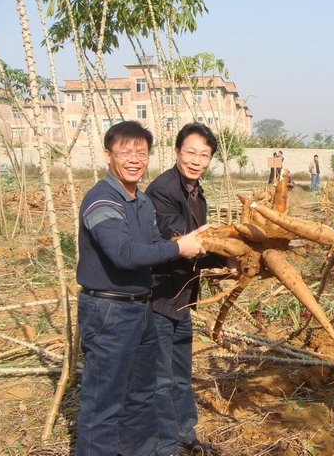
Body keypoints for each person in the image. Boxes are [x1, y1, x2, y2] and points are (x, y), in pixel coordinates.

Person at [75, 121, 205, 456]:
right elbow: (124, 254)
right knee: (103, 403)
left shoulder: (142, 201)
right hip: (108, 311)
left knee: (142, 396)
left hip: (141, 306)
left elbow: (155, 247)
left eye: (141, 153)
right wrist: (180, 248)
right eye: (125, 152)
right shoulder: (101, 200)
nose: (134, 159)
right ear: (108, 155)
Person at [145, 122, 224, 456]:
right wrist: (224, 251)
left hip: (182, 296)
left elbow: (197, 249)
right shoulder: (163, 190)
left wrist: (225, 263)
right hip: (160, 297)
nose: (196, 160)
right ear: (176, 151)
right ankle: (166, 444)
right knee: (162, 377)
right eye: (190, 152)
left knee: (180, 371)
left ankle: (185, 436)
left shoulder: (195, 191)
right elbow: (179, 241)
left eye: (204, 155)